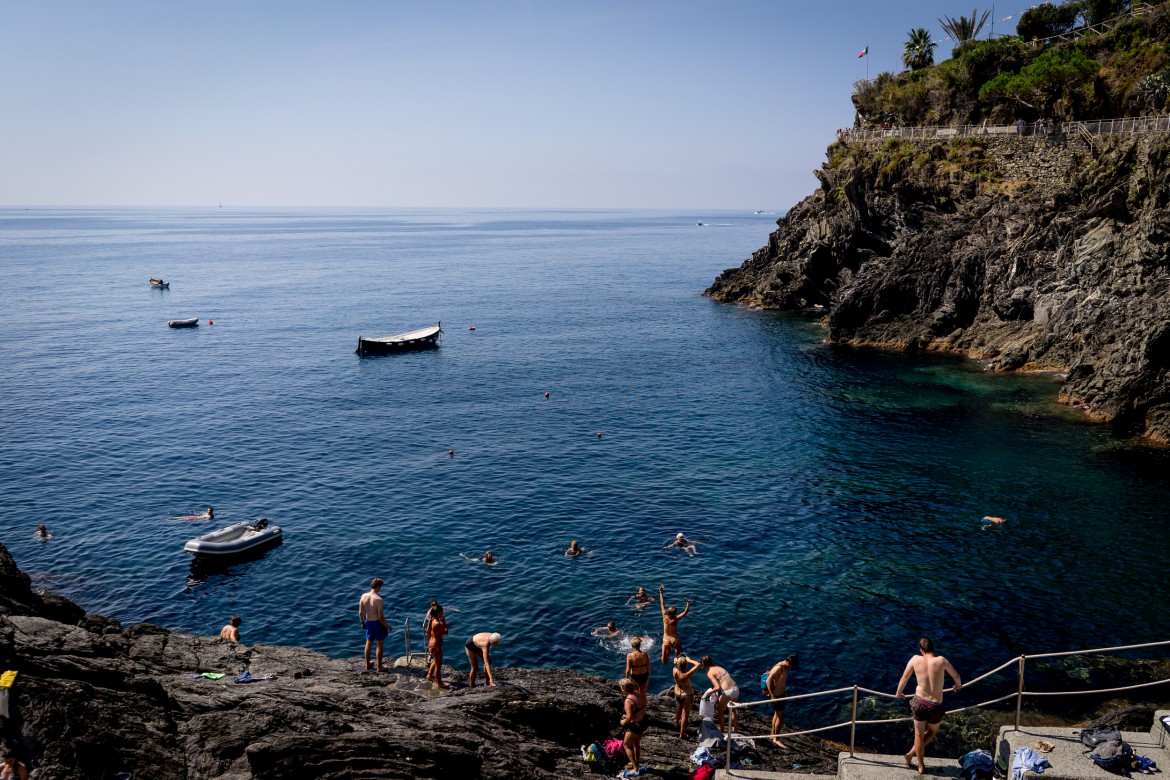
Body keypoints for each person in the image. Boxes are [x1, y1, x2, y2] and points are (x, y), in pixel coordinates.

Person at [895, 637, 962, 775]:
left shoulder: (915, 659)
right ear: (932, 648)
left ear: (921, 650)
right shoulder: (941, 661)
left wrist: (899, 693)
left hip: (919, 702)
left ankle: (919, 765)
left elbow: (904, 678)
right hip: (935, 705)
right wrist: (958, 685)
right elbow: (956, 675)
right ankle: (910, 755)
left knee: (918, 735)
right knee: (931, 732)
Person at [763, 654, 800, 748]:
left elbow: (779, 681)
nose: (793, 667)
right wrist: (772, 695)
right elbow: (768, 680)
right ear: (787, 662)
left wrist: (783, 692)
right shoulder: (778, 668)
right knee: (781, 716)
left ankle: (772, 734)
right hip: (776, 696)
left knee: (777, 714)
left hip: (780, 695)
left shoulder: (784, 667)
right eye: (792, 665)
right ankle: (776, 739)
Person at [358, 578, 391, 672]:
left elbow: (360, 612)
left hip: (369, 622)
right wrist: (387, 626)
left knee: (368, 643)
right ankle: (379, 667)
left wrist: (362, 622)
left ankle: (368, 664)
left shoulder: (363, 596)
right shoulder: (379, 600)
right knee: (379, 644)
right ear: (378, 586)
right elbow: (381, 617)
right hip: (377, 623)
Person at [702, 656, 741, 733]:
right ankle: (735, 729)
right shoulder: (719, 667)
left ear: (704, 664)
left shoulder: (710, 673)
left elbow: (717, 687)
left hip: (728, 692)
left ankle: (722, 730)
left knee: (719, 711)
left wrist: (708, 694)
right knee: (733, 709)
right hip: (736, 689)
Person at [618, 678, 647, 775]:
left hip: (635, 725)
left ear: (624, 688)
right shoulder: (637, 693)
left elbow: (629, 717)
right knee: (636, 743)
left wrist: (623, 722)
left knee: (626, 745)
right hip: (643, 722)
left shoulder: (628, 701)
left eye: (621, 687)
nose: (621, 689)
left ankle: (635, 769)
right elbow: (635, 710)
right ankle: (636, 763)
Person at [673, 654, 703, 738]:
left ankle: (676, 724)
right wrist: (689, 660)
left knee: (679, 707)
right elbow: (698, 664)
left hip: (677, 693)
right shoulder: (685, 675)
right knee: (685, 716)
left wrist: (678, 660)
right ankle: (682, 734)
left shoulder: (674, 670)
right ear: (686, 665)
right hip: (686, 695)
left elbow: (676, 662)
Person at [659, 584, 690, 664]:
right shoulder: (676, 619)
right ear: (674, 613)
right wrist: (688, 604)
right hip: (674, 639)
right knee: (679, 647)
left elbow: (662, 603)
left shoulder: (664, 616)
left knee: (664, 661)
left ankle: (664, 650)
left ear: (668, 612)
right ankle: (675, 657)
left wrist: (661, 592)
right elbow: (685, 612)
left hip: (666, 639)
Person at [425, 603, 450, 688]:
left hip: (431, 644)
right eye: (442, 611)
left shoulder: (432, 619)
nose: (443, 613)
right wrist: (444, 622)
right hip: (436, 646)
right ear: (439, 613)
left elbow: (428, 631)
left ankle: (429, 675)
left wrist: (433, 637)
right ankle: (440, 683)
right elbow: (446, 631)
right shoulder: (437, 623)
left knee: (435, 661)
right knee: (438, 665)